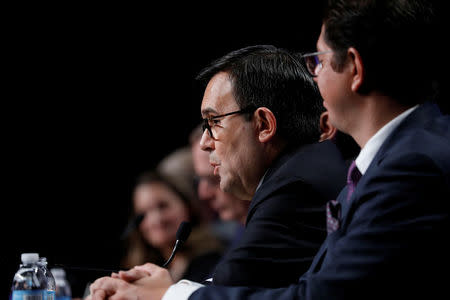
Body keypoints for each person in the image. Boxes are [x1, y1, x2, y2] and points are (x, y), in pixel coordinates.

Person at [87, 1, 449, 300]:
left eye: (319, 61)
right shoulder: (398, 157)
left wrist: (168, 296)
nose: (314, 76)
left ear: (354, 69)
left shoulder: (408, 169)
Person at [87, 43, 349, 294]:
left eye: (213, 122)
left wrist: (162, 293)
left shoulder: (294, 187)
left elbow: (230, 285)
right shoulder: (298, 172)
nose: (204, 142)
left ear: (263, 124)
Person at [120, 170, 223, 283]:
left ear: (186, 206)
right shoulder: (137, 272)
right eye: (143, 213)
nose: (156, 219)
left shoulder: (216, 262)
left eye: (163, 206)